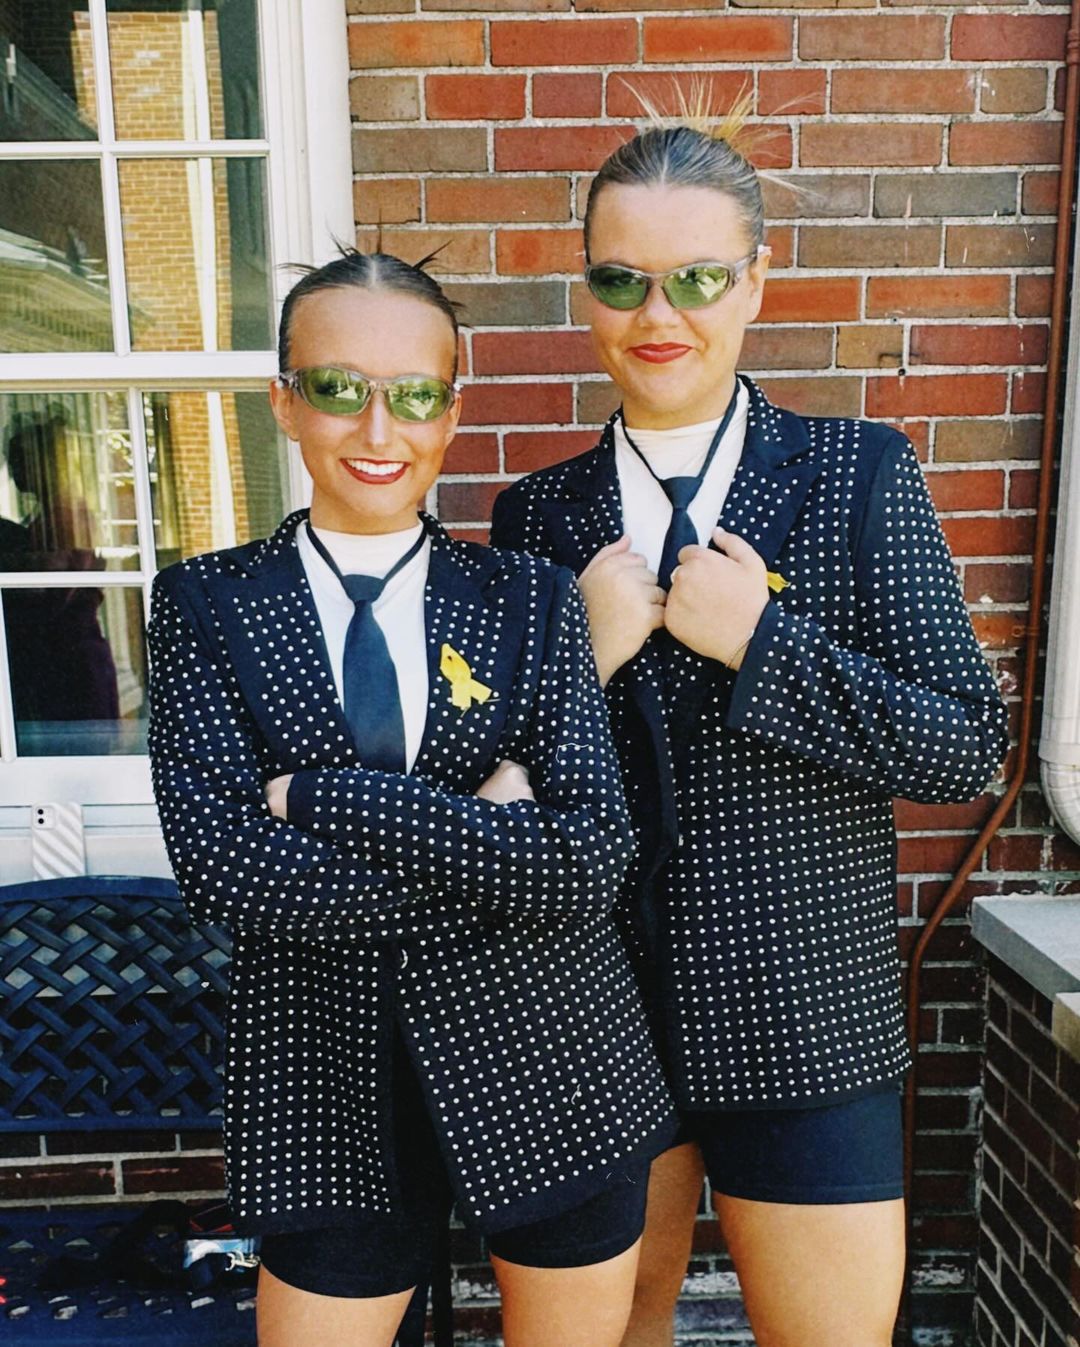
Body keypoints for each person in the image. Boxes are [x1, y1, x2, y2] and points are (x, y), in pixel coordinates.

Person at [490, 107, 1009, 1347]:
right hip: (593, 1007)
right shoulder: (538, 518)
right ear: (588, 291)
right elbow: (492, 787)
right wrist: (581, 659)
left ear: (757, 282)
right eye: (623, 279)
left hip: (805, 1012)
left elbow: (963, 746)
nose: (658, 315)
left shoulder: (856, 475)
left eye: (698, 278)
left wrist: (763, 643)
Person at [147, 249, 677, 1347]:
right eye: (339, 387)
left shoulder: (531, 597)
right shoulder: (205, 603)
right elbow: (227, 869)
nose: (379, 428)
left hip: (554, 1057)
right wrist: (492, 823)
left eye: (416, 394)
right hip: (323, 1077)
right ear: (284, 401)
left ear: (452, 409)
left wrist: (323, 800)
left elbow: (587, 858)